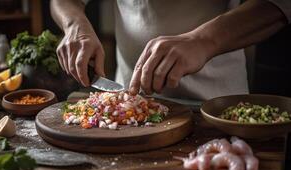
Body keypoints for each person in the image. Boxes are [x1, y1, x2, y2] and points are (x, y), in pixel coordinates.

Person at [50, 0, 290, 100]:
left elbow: (278, 5)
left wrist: (203, 41)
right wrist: (74, 26)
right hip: (129, 100)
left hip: (218, 106)